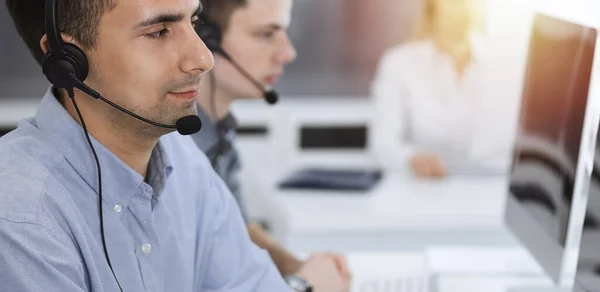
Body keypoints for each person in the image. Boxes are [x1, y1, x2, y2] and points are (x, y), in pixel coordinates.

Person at [0, 0, 292, 291]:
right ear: (67, 61)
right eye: (159, 32)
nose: (203, 58)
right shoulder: (21, 216)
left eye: (193, 24)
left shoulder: (184, 162)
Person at [190, 0, 352, 291]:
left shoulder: (219, 129)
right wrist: (304, 285)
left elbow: (239, 228)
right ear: (206, 40)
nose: (287, 54)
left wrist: (298, 266)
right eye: (266, 34)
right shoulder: (175, 146)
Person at [369, 0, 501, 179]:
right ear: (434, 8)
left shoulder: (505, 66)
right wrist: (411, 159)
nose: (463, 9)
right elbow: (382, 145)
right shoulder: (399, 63)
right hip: (422, 188)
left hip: (490, 188)